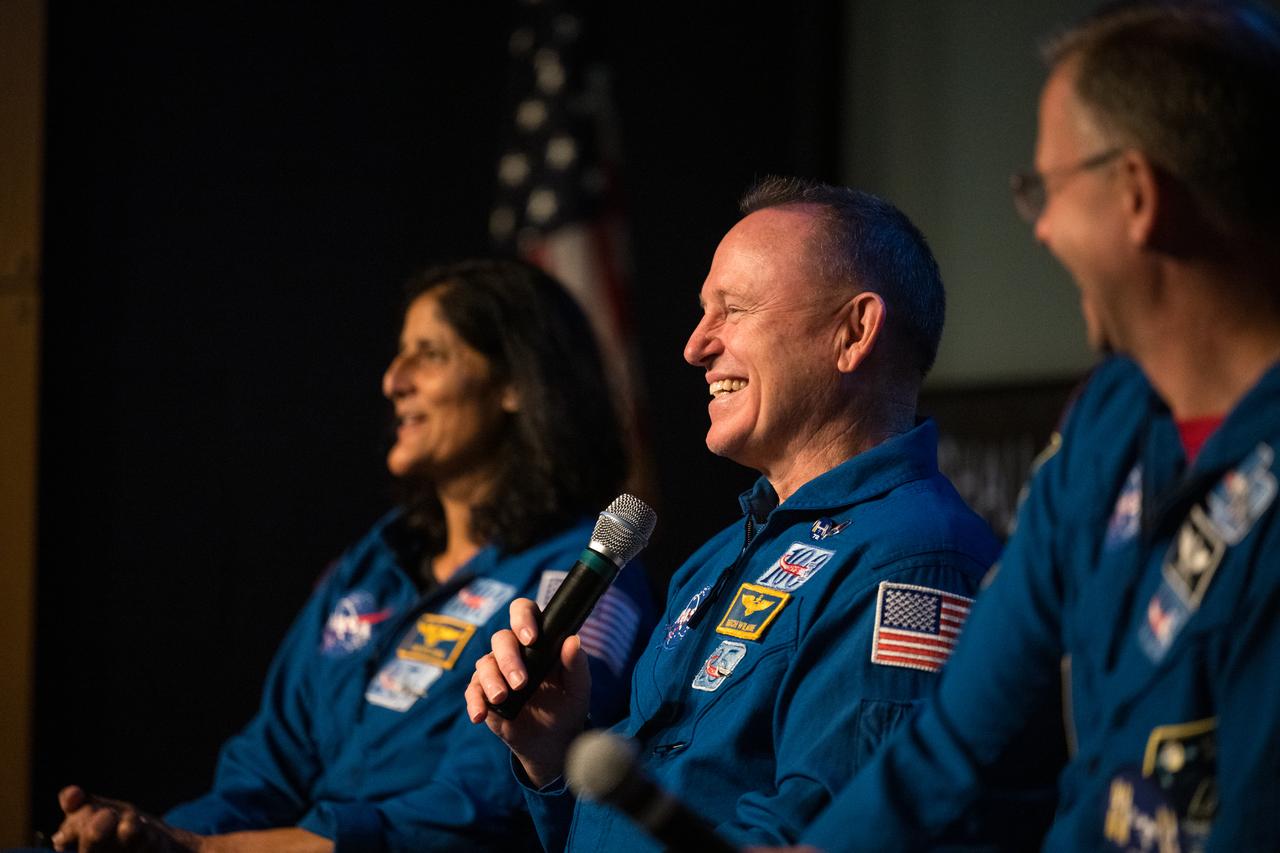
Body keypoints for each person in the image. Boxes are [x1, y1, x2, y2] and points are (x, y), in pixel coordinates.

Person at [786, 3, 1280, 851]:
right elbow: (960, 738)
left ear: (1137, 196)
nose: (1041, 228)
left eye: (1046, 189)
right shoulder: (1106, 425)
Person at [466, 178, 1053, 851]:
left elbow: (823, 835)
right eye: (703, 312)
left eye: (734, 310)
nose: (695, 346)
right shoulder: (715, 558)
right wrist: (552, 753)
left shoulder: (915, 559)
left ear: (853, 332)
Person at [51, 259, 654, 853]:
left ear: (514, 384)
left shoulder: (579, 577)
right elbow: (263, 772)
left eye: (430, 354)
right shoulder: (371, 564)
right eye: (399, 353)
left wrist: (206, 852)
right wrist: (147, 836)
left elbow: (479, 812)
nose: (393, 380)